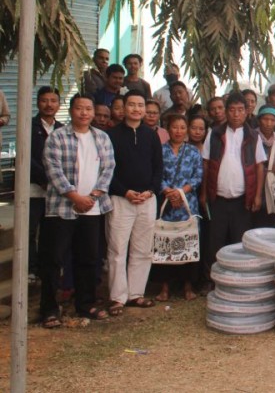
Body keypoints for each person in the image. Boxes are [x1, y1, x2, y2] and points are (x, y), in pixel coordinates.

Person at [38, 94, 116, 327]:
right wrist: (74, 196)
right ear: (71, 111)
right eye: (79, 108)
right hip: (62, 208)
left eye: (88, 109)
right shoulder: (57, 137)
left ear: (93, 112)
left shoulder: (101, 137)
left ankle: (86, 304)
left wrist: (93, 196)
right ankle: (50, 310)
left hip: (92, 208)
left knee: (88, 259)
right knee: (54, 260)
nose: (84, 113)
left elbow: (108, 168)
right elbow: (53, 170)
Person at [106, 90, 164, 314]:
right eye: (132, 105)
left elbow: (158, 167)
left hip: (147, 200)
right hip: (121, 199)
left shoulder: (151, 135)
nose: (137, 109)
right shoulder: (111, 135)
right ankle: (117, 297)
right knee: (118, 249)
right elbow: (107, 170)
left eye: (141, 105)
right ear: (123, 107)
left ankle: (136, 294)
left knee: (143, 249)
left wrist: (150, 191)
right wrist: (125, 191)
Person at [201, 92, 267, 289]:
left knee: (239, 241)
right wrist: (204, 193)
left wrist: (257, 196)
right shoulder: (214, 134)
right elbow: (206, 164)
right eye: (232, 110)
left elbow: (259, 167)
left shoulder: (253, 135)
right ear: (226, 112)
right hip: (218, 197)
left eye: (240, 110)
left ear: (247, 112)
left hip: (242, 198)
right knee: (215, 240)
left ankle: (238, 280)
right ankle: (213, 281)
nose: (236, 114)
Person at [152, 114, 202, 302]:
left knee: (188, 242)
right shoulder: (160, 150)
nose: (179, 131)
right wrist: (168, 191)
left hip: (187, 203)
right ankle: (164, 287)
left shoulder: (193, 151)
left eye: (182, 127)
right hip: (166, 203)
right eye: (175, 127)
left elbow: (198, 176)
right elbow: (156, 173)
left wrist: (181, 192)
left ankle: (187, 286)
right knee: (165, 243)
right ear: (168, 129)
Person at [30, 87, 64, 281]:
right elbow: (26, 157)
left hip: (56, 190)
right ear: (38, 103)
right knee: (31, 230)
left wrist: (55, 181)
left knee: (51, 231)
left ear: (59, 104)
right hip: (34, 188)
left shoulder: (62, 129)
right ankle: (31, 269)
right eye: (44, 100)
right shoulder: (29, 126)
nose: (49, 105)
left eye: (53, 101)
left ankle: (48, 268)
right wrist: (44, 178)